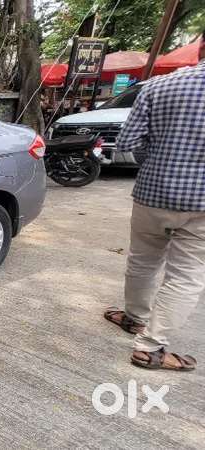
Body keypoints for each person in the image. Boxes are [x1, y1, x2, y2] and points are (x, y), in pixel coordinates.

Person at [104, 32, 205, 371]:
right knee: (186, 275)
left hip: (152, 191)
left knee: (142, 260)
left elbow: (127, 142)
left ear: (201, 47)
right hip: (200, 203)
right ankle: (150, 347)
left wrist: (160, 160)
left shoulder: (158, 86)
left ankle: (134, 317)